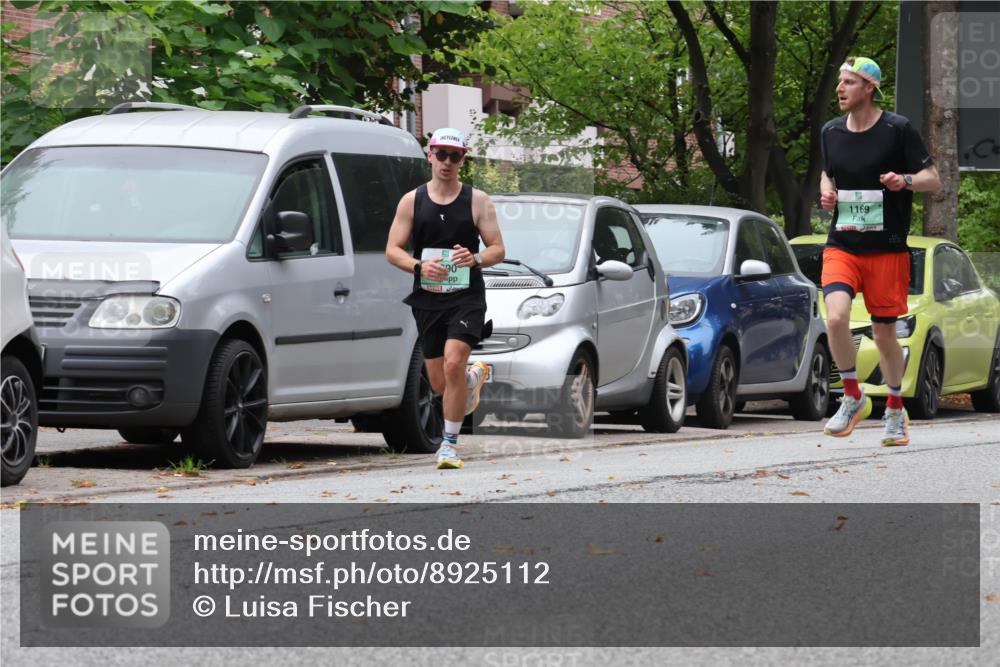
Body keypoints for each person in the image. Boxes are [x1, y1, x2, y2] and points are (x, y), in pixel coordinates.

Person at [819, 56, 940, 446]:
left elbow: (931, 178)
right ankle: (853, 396)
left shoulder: (897, 129)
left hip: (886, 249)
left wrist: (904, 180)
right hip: (843, 244)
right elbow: (829, 171)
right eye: (840, 81)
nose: (840, 89)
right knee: (835, 319)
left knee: (884, 334)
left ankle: (893, 407)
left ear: (869, 88)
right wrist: (826, 190)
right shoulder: (831, 132)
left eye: (849, 82)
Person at [386, 127, 505, 469]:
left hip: (466, 295)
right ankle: (471, 379)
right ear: (430, 155)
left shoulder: (478, 200)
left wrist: (476, 258)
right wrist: (420, 266)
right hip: (427, 298)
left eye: (455, 156)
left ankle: (449, 446)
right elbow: (392, 250)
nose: (447, 162)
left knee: (454, 362)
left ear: (462, 160)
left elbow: (497, 248)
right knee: (440, 382)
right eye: (441, 154)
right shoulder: (412, 200)